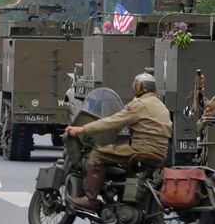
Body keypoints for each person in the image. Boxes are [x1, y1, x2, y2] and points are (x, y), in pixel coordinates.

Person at [63, 72, 171, 211]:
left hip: (141, 149)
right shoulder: (161, 106)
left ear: (140, 87)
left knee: (97, 154)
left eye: (135, 85)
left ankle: (90, 199)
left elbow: (113, 122)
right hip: (160, 153)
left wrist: (82, 129)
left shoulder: (139, 104)